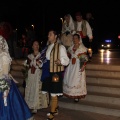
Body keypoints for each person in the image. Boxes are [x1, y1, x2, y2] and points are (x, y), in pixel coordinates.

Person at [0, 23, 34, 120]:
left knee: (7, 110)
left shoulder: (4, 56)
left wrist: (5, 90)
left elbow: (5, 75)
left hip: (3, 85)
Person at [41, 29, 69, 120]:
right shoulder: (47, 47)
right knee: (50, 91)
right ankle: (55, 108)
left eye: (50, 34)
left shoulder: (60, 47)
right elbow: (46, 59)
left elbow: (67, 60)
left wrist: (60, 61)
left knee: (54, 92)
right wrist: (40, 63)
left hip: (55, 73)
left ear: (55, 36)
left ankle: (52, 113)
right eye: (48, 34)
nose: (48, 36)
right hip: (48, 71)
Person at [24, 40, 49, 114]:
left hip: (38, 74)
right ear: (32, 46)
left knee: (37, 89)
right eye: (35, 44)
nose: (36, 46)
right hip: (31, 75)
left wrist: (38, 64)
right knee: (30, 89)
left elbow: (44, 65)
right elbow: (27, 66)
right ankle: (29, 105)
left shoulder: (41, 55)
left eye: (37, 44)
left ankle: (36, 106)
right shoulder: (29, 56)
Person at [63, 33, 88, 102]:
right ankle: (70, 93)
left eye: (76, 38)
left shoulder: (82, 48)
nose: (74, 40)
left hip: (78, 65)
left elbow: (84, 58)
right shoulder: (71, 48)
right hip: (71, 65)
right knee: (70, 79)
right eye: (73, 38)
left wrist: (83, 66)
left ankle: (76, 96)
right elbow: (68, 56)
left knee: (77, 80)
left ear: (79, 39)